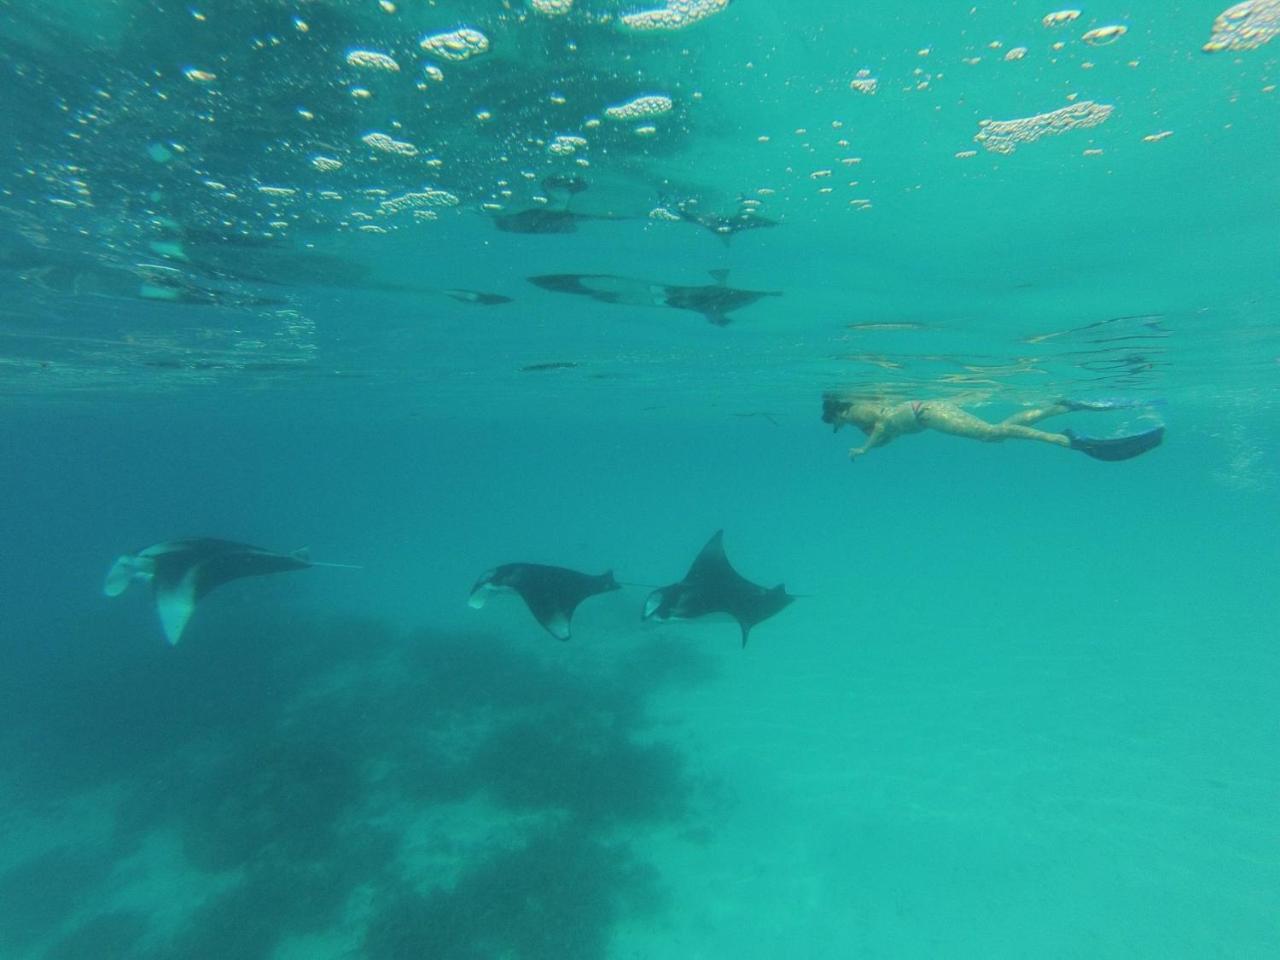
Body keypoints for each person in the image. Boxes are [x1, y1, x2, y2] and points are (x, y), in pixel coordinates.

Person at [821, 394, 1165, 462]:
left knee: (990, 434)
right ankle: (1059, 407)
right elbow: (887, 433)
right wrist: (870, 445)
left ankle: (1065, 441)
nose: (843, 426)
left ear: (836, 414)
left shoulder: (854, 410)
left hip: (926, 414)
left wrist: (864, 449)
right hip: (926, 413)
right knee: (996, 430)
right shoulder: (857, 415)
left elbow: (883, 425)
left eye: (837, 423)